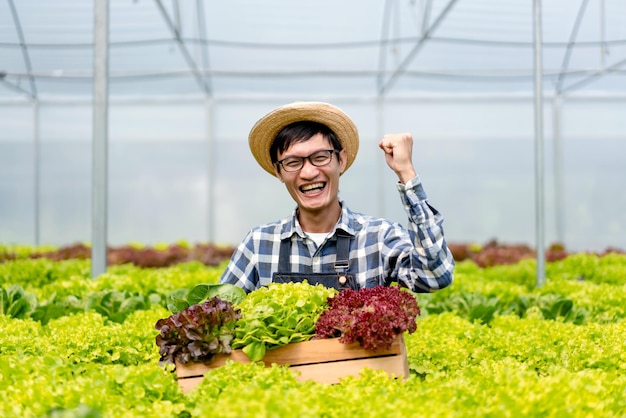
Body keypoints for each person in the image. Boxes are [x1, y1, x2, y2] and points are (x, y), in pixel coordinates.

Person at [219, 101, 454, 293]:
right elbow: (220, 315)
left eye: (320, 157)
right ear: (278, 171)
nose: (309, 172)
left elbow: (434, 278)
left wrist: (406, 174)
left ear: (340, 160)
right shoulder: (259, 244)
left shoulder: (378, 238)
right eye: (293, 162)